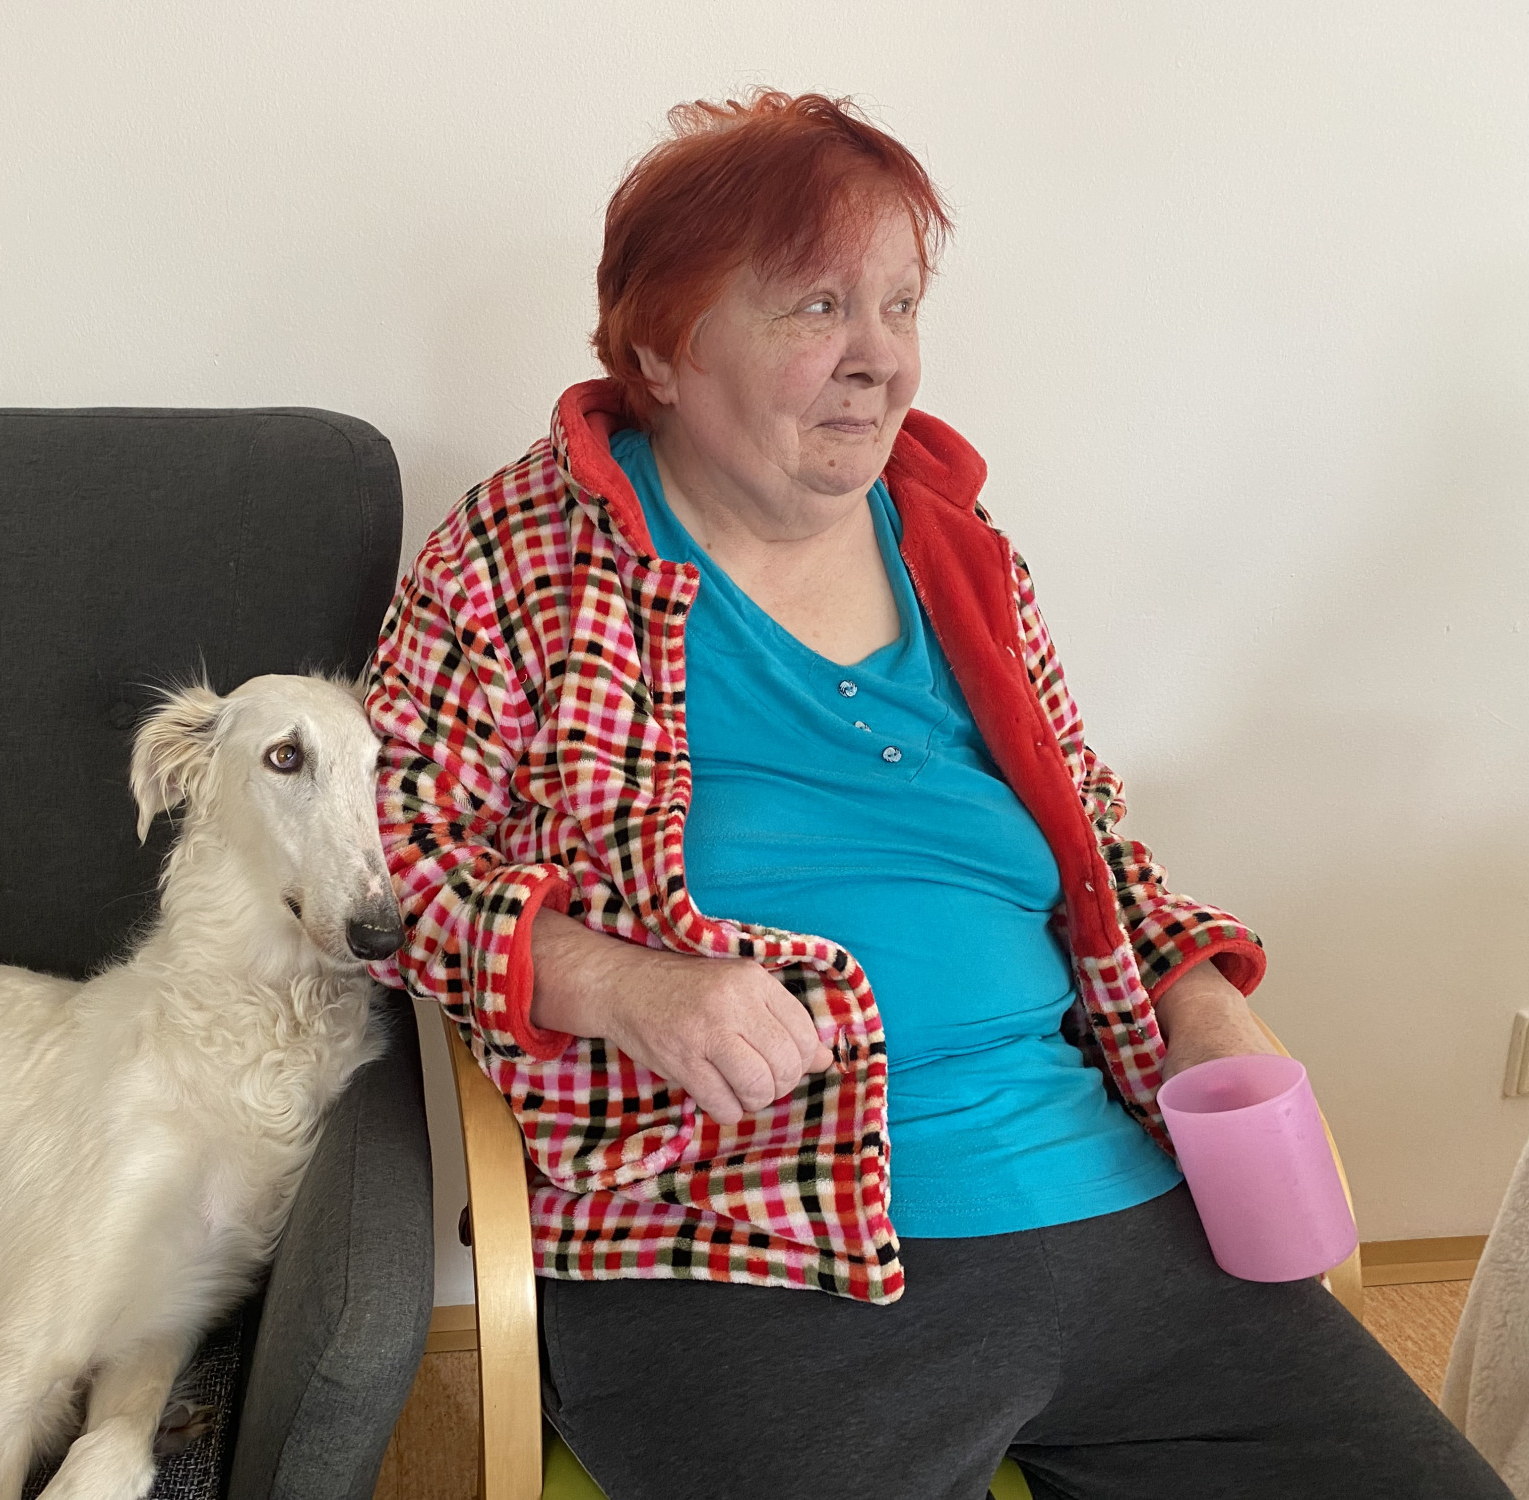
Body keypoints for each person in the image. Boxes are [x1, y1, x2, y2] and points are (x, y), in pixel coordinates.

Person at [366, 91, 1505, 1498]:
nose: (881, 359)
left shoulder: (965, 556)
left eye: (901, 306)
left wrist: (1203, 1001)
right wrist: (615, 983)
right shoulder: (523, 556)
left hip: (1106, 1204)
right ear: (660, 345)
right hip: (739, 1238)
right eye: (816, 306)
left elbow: (1098, 850)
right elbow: (374, 859)